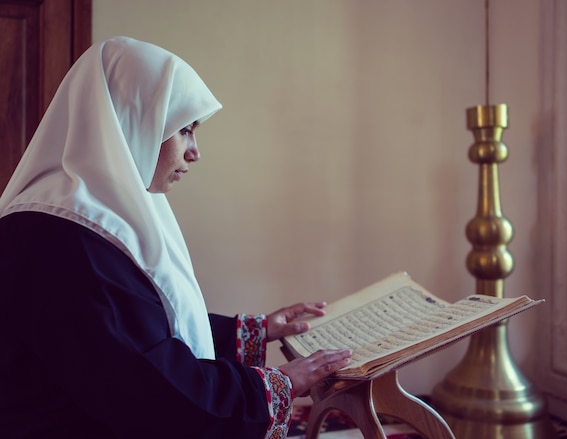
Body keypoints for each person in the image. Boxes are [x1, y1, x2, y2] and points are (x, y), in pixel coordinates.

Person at [0, 36, 351, 438]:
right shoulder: (64, 236)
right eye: (184, 130)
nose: (195, 152)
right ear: (133, 120)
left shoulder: (90, 212)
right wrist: (273, 386)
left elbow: (135, 330)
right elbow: (143, 386)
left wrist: (254, 329)